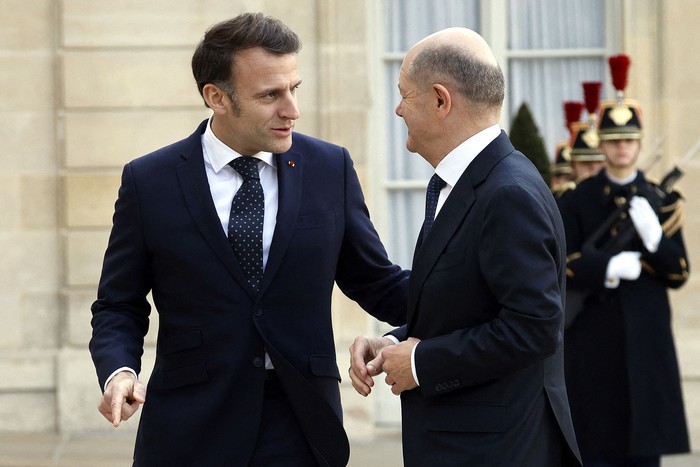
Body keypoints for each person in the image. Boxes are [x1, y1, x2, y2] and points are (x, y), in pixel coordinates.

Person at [89, 12, 408, 467]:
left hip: (303, 425)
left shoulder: (329, 168)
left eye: (294, 89)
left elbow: (377, 282)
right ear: (216, 97)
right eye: (270, 95)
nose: (292, 110)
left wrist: (463, 297)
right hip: (189, 427)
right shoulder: (149, 181)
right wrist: (119, 371)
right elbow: (119, 304)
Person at [348, 27, 582, 466]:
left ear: (441, 100)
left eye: (405, 95)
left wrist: (421, 364)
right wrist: (395, 344)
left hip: (497, 450)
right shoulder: (476, 182)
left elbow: (534, 327)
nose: (397, 110)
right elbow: (469, 304)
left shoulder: (506, 192)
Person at [560, 55, 690, 466]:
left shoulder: (661, 201)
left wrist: (654, 238)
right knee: (595, 447)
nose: (622, 147)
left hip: (644, 344)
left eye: (629, 139)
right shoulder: (578, 200)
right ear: (602, 141)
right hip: (593, 341)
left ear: (638, 142)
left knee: (642, 453)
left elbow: (679, 272)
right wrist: (606, 269)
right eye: (614, 139)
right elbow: (559, 263)